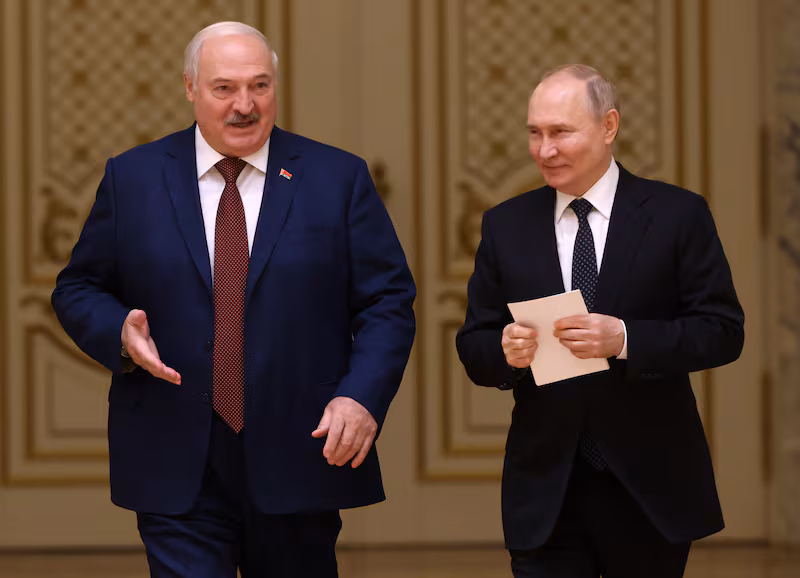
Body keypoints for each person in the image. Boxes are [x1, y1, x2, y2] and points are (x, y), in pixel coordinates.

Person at [51, 21, 415, 578]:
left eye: (259, 86)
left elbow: (387, 301)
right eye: (224, 88)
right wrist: (118, 330)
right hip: (173, 453)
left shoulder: (336, 178)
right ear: (190, 88)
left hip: (300, 451)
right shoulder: (133, 178)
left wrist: (361, 398)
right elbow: (78, 287)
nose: (245, 105)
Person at [456, 64, 744, 578]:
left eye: (561, 132)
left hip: (650, 487)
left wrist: (626, 338)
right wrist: (505, 351)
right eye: (535, 133)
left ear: (609, 126)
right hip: (546, 491)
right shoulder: (506, 225)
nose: (545, 150)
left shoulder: (678, 215)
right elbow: (474, 344)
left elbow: (722, 331)